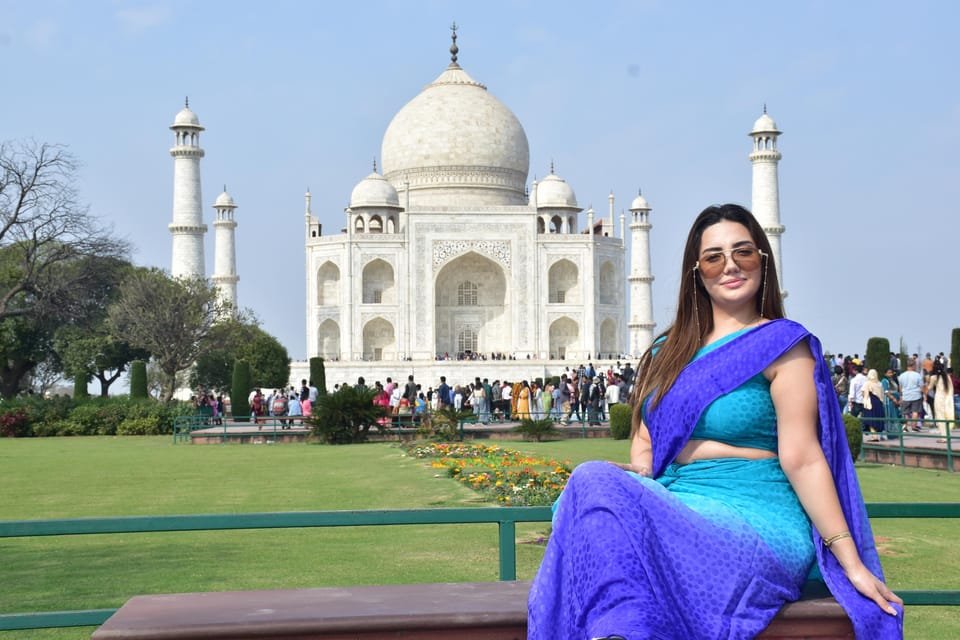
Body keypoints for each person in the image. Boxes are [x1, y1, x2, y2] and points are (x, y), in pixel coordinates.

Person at [528, 204, 902, 639]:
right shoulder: (669, 350)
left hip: (757, 515)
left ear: (762, 259)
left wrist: (850, 560)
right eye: (714, 257)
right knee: (590, 478)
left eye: (743, 252)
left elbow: (802, 457)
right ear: (697, 271)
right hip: (681, 505)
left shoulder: (782, 344)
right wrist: (637, 473)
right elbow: (646, 440)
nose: (730, 266)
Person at [926, 360, 955, 442]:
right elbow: (951, 388)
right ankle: (947, 435)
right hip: (948, 398)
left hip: (939, 398)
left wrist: (925, 384)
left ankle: (944, 437)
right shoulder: (947, 376)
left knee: (940, 417)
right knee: (947, 417)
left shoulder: (934, 377)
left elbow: (929, 388)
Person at [898, 359, 924, 431]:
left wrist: (901, 396)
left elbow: (900, 387)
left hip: (906, 396)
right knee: (915, 412)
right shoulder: (917, 375)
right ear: (913, 365)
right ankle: (913, 426)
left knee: (906, 413)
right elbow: (921, 387)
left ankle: (905, 427)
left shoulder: (901, 375)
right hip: (916, 395)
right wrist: (924, 395)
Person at [860, 369, 886, 441]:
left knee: (871, 419)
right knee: (877, 419)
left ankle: (874, 436)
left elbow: (863, 393)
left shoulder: (867, 383)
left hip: (870, 403)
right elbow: (882, 394)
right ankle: (878, 435)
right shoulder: (880, 384)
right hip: (879, 402)